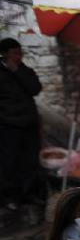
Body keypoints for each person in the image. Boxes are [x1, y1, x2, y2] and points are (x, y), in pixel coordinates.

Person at [0, 37, 42, 228]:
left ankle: (28, 196)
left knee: (30, 161)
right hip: (9, 127)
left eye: (20, 52)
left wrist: (17, 70)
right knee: (10, 164)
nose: (19, 56)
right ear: (5, 54)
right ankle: (10, 198)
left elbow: (35, 88)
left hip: (29, 126)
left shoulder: (24, 70)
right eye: (15, 52)